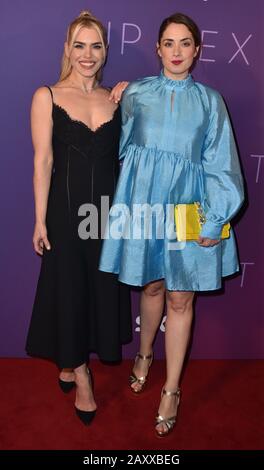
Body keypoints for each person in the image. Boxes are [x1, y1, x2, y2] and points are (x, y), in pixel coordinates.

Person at [99, 12, 244, 437]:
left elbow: (222, 165)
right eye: (169, 43)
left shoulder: (212, 101)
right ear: (158, 48)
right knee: (152, 286)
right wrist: (118, 96)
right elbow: (114, 144)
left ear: (197, 50)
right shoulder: (136, 93)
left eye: (185, 43)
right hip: (145, 202)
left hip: (190, 208)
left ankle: (172, 388)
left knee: (181, 297)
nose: (177, 51)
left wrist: (215, 217)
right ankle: (144, 354)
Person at [26, 10, 132, 426]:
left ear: (105, 52)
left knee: (99, 289)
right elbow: (43, 161)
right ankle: (81, 374)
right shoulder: (46, 96)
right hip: (66, 215)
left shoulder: (116, 98)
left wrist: (132, 92)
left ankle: (69, 361)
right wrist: (39, 220)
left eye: (96, 46)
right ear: (67, 50)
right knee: (69, 289)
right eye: (79, 45)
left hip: (106, 215)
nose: (87, 55)